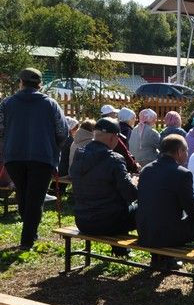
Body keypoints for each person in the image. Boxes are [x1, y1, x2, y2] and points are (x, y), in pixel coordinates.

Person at [0, 68, 68, 250]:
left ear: (20, 82)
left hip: (14, 157)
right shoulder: (51, 104)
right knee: (35, 198)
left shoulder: (7, 103)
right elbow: (63, 131)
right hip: (43, 157)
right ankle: (27, 240)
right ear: (40, 84)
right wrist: (54, 148)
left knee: (23, 194)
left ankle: (30, 232)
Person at [69, 118, 138, 243]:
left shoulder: (79, 154)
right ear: (113, 137)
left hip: (83, 221)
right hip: (109, 223)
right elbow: (131, 194)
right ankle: (159, 255)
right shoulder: (114, 159)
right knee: (145, 207)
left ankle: (120, 250)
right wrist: (134, 182)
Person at [136, 134, 194, 267]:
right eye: (186, 150)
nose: (187, 154)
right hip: (166, 235)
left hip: (144, 232)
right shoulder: (182, 173)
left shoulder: (146, 169)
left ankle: (159, 258)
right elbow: (191, 210)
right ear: (179, 151)